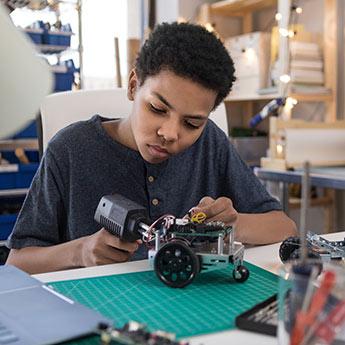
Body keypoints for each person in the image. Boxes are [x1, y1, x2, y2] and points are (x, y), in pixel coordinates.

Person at [6, 22, 297, 274]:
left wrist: (232, 225)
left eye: (192, 124)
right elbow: (18, 262)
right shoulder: (70, 149)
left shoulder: (211, 143)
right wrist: (79, 252)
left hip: (185, 300)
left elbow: (284, 227)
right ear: (134, 86)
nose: (170, 134)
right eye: (158, 108)